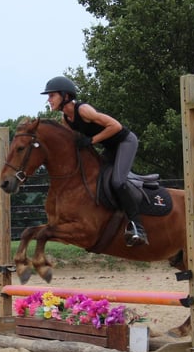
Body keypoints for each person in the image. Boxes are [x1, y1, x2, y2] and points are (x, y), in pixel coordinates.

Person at [41, 76, 149, 247]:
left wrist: (91, 141)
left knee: (118, 181)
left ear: (65, 96)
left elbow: (116, 127)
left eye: (52, 95)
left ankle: (138, 228)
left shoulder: (83, 110)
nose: (49, 99)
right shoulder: (66, 119)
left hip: (125, 142)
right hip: (110, 147)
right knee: (98, 179)